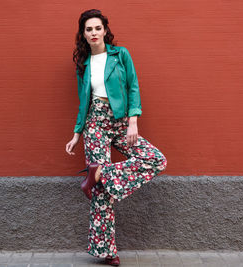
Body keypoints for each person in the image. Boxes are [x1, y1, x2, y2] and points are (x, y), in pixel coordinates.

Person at [65, 9, 167, 266]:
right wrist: (77, 133)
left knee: (156, 159)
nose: (94, 33)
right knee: (100, 193)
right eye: (88, 29)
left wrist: (133, 121)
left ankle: (98, 174)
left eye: (97, 28)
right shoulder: (84, 63)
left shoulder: (120, 55)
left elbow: (133, 86)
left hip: (121, 121)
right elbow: (83, 102)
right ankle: (106, 250)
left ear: (105, 30)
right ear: (83, 35)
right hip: (95, 123)